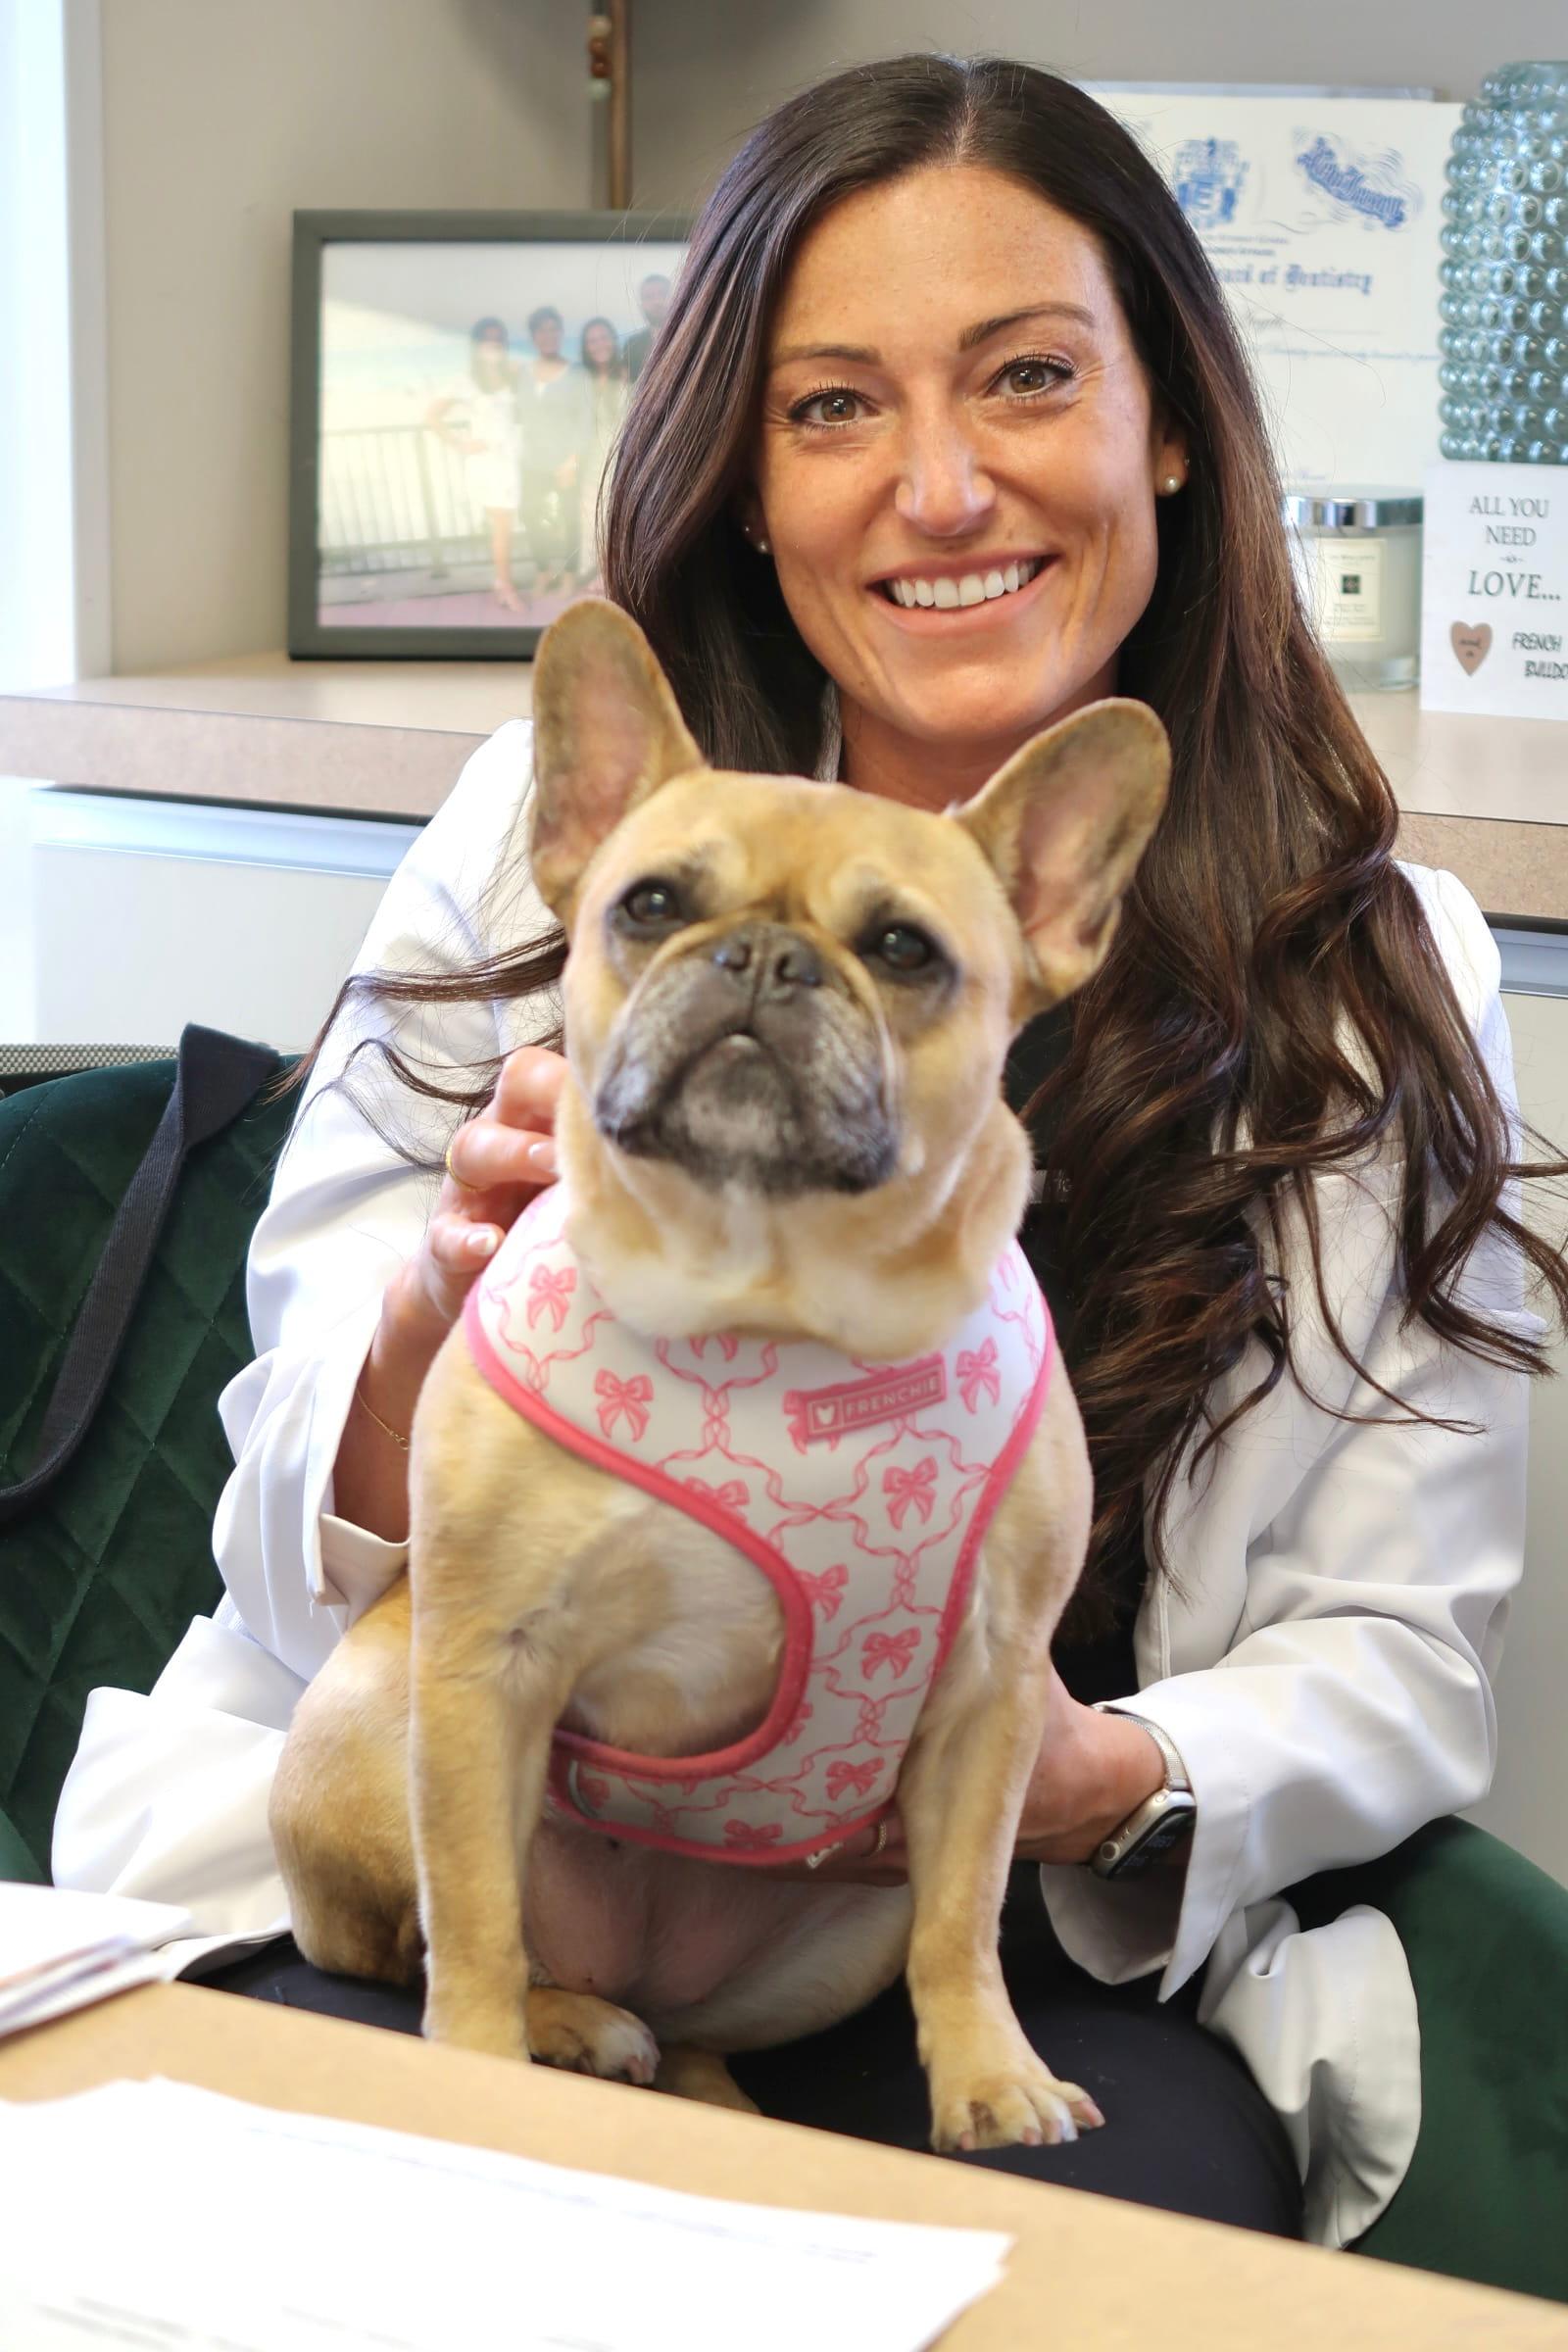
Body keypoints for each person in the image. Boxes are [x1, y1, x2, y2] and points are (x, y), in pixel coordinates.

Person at [53, 56, 1567, 2251]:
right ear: (747, 482)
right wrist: (426, 1316)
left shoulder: (1369, 962)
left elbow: (1398, 1649)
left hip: (965, 1923)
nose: (938, 485)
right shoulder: (554, 838)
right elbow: (292, 1510)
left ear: (1168, 422)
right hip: (469, 1849)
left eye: (1026, 379)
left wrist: (1079, 1777)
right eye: (833, 405)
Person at [423, 317, 523, 613]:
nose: (493, 344)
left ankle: (502, 582)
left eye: (498, 339)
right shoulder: (465, 381)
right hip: (488, 463)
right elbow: (432, 415)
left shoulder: (513, 374)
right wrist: (459, 443)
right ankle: (505, 586)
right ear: (477, 345)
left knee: (506, 524)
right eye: (487, 339)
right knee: (503, 526)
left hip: (513, 460)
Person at [514, 304, 585, 595]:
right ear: (533, 337)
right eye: (542, 330)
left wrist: (572, 462)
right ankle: (543, 570)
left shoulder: (576, 372)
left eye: (554, 329)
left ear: (561, 333)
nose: (549, 335)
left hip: (564, 461)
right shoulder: (523, 373)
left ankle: (569, 574)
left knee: (570, 518)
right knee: (530, 515)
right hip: (531, 460)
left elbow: (584, 418)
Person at [575, 316, 630, 592]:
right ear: (586, 347)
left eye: (604, 337)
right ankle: (599, 572)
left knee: (618, 514)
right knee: (591, 514)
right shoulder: (582, 380)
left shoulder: (626, 373)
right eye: (592, 340)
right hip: (591, 458)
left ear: (613, 339)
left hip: (622, 455)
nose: (599, 344)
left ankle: (614, 575)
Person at [622, 271, 671, 382]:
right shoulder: (632, 345)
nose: (657, 301)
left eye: (663, 294)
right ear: (641, 305)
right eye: (648, 297)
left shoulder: (695, 337)